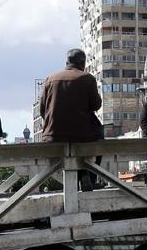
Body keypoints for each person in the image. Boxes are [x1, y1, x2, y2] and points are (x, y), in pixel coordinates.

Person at [39, 49, 103, 190]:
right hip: (82, 135)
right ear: (83, 63)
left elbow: (42, 110)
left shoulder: (50, 79)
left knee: (69, 148)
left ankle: (80, 175)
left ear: (66, 62)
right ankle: (90, 176)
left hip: (53, 137)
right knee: (98, 132)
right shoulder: (88, 78)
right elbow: (96, 105)